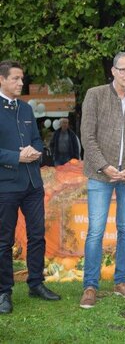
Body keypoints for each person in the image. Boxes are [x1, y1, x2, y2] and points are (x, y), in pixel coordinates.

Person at [80, 52, 125, 308]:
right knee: (96, 230)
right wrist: (105, 166)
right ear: (113, 71)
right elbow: (87, 137)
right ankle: (90, 285)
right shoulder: (95, 95)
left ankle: (121, 281)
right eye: (123, 70)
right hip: (100, 174)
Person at [0, 60, 60, 314]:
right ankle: (4, 292)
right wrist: (16, 156)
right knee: (4, 241)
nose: (20, 83)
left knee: (37, 235)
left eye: (21, 78)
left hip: (33, 184)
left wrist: (35, 151)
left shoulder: (25, 109)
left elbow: (36, 139)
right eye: (15, 78)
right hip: (7, 185)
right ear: (1, 79)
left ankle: (36, 283)